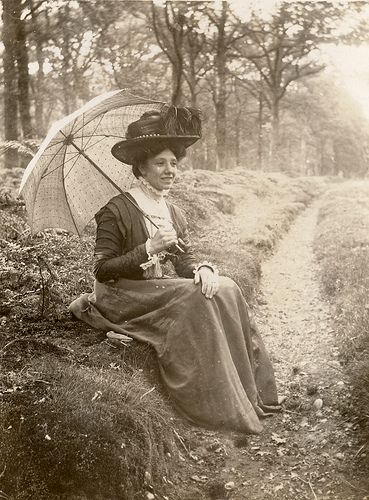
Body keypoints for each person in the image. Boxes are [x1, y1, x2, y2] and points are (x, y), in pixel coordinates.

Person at [69, 105, 279, 434]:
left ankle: (250, 393)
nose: (170, 170)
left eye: (174, 163)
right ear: (141, 167)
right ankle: (215, 405)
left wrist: (203, 269)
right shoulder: (116, 209)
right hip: (123, 295)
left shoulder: (171, 211)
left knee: (225, 287)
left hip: (154, 289)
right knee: (197, 300)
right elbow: (102, 269)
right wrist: (148, 249)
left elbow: (184, 259)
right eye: (160, 163)